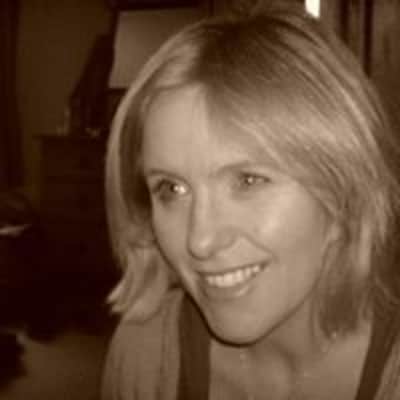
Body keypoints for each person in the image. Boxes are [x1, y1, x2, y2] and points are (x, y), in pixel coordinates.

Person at [101, 2, 400, 399]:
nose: (200, 241)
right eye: (171, 188)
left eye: (248, 180)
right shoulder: (146, 352)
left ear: (345, 191)